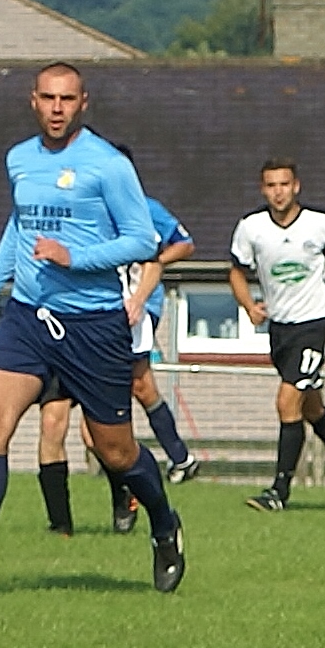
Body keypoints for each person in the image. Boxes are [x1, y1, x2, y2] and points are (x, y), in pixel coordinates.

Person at [0, 63, 185, 596]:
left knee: (115, 451)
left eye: (67, 99)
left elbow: (142, 241)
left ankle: (164, 523)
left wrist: (75, 257)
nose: (57, 108)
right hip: (27, 317)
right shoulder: (19, 158)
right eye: (48, 98)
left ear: (83, 102)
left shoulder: (108, 165)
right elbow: (19, 227)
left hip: (93, 325)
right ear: (33, 101)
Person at [35, 188, 199, 536]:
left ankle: (150, 478)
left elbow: (178, 247)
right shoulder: (65, 209)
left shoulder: (143, 210)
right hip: (62, 323)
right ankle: (60, 527)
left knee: (113, 416)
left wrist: (139, 295)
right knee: (52, 420)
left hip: (121, 318)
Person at [230, 159, 325, 512]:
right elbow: (236, 271)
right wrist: (248, 305)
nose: (278, 192)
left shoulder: (322, 223)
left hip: (316, 324)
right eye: (271, 186)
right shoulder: (251, 228)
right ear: (263, 190)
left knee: (287, 400)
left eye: (284, 184)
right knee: (311, 408)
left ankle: (279, 491)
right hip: (281, 329)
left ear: (296, 186)